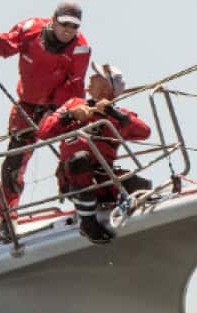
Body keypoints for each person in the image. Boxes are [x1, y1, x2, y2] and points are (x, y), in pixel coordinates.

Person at [0, 3, 91, 216]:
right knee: (13, 163)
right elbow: (5, 44)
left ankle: (86, 198)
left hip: (62, 106)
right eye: (64, 24)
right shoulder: (30, 29)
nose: (68, 30)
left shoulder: (81, 48)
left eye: (74, 26)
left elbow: (74, 84)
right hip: (27, 106)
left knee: (77, 151)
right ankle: (6, 216)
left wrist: (55, 109)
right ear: (53, 20)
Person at [36, 62, 152, 243]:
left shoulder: (117, 114)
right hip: (74, 176)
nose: (89, 79)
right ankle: (87, 222)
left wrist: (113, 113)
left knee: (140, 185)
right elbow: (44, 131)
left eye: (96, 77)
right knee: (80, 160)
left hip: (104, 179)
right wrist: (70, 116)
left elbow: (144, 132)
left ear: (107, 88)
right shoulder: (73, 104)